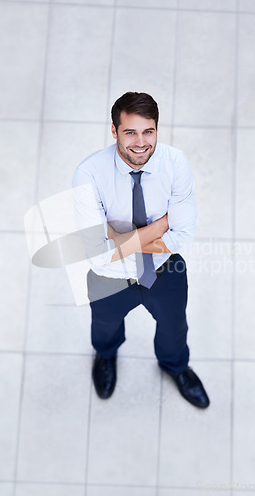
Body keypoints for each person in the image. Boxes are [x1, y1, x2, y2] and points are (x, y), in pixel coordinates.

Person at [72, 92, 210, 409]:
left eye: (148, 131)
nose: (140, 143)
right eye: (130, 132)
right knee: (104, 326)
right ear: (114, 131)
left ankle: (175, 366)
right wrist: (159, 226)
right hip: (109, 278)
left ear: (157, 129)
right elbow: (98, 256)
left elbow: (183, 236)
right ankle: (106, 356)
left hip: (164, 270)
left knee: (175, 327)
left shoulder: (174, 164)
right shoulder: (89, 175)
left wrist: (118, 240)